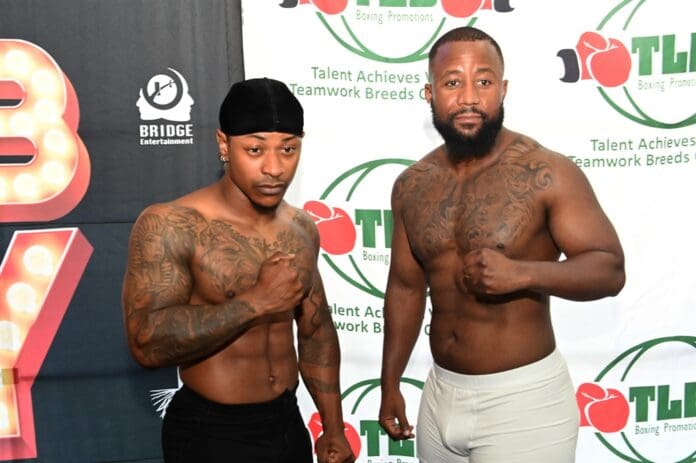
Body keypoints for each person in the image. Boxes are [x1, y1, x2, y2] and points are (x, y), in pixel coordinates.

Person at [378, 26, 625, 463]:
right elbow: (405, 288)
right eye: (453, 82)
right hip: (439, 397)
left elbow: (609, 268)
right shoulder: (411, 185)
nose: (470, 97)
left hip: (523, 403)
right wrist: (390, 382)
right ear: (429, 93)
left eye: (484, 82)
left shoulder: (546, 172)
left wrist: (524, 272)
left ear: (503, 89)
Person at [122, 77, 355, 463]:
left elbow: (316, 330)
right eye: (255, 149)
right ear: (223, 144)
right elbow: (145, 342)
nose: (274, 168)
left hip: (286, 422)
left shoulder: (301, 229)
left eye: (288, 149)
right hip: (210, 433)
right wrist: (255, 302)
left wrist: (332, 427)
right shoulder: (172, 224)